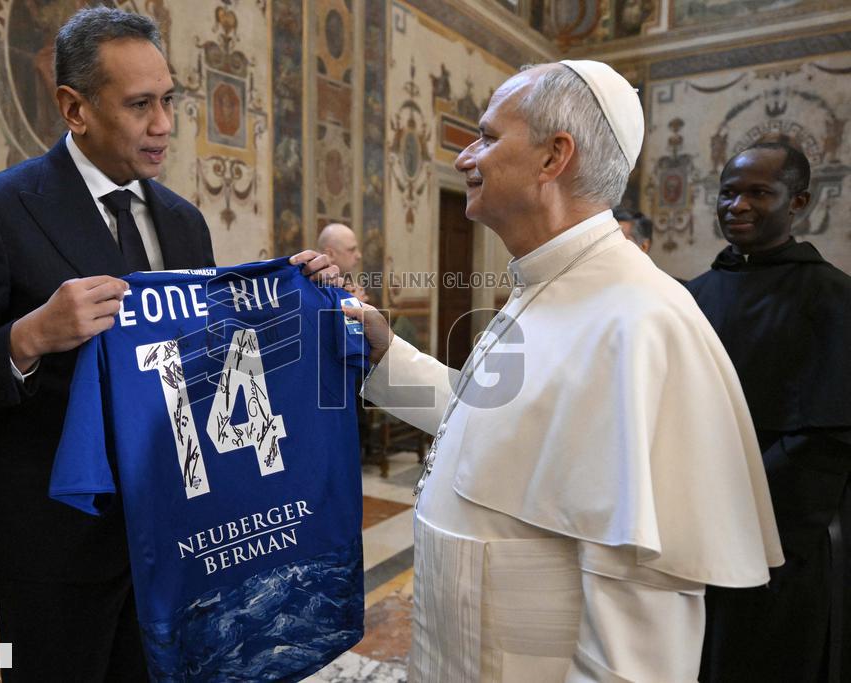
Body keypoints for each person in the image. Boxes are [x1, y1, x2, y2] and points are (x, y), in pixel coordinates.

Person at [0, 8, 334, 681]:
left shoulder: (184, 221)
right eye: (140, 105)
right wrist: (29, 336)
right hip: (52, 545)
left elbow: (206, 363)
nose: (163, 124)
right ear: (74, 107)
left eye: (168, 100)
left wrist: (294, 295)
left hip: (171, 532)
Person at [343, 60, 782, 681]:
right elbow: (490, 426)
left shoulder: (642, 324)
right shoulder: (541, 284)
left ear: (554, 158)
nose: (466, 157)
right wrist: (384, 353)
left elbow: (638, 653)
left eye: (488, 137)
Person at [688, 142, 851, 683]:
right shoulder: (693, 296)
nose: (737, 205)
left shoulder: (832, 297)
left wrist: (739, 499)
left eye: (759, 192)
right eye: (728, 193)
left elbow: (831, 434)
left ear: (798, 202)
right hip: (692, 525)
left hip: (780, 535)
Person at [318, 222, 369, 303]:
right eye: (351, 250)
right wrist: (354, 304)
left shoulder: (345, 285)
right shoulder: (316, 290)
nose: (359, 255)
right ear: (330, 254)